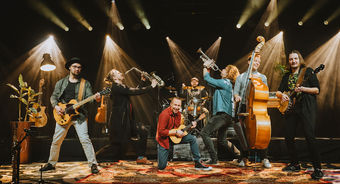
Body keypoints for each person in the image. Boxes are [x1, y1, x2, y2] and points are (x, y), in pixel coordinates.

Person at [40, 57, 101, 174]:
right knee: (56, 140)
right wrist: (56, 107)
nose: (77, 69)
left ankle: (93, 164)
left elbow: (90, 99)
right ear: (69, 68)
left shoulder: (85, 84)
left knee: (85, 139)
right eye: (75, 67)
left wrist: (96, 98)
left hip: (79, 116)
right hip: (63, 115)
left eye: (79, 67)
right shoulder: (61, 82)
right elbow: (53, 97)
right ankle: (51, 163)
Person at [278, 50, 323, 180]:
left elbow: (316, 90)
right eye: (291, 59)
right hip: (292, 109)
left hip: (306, 108)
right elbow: (279, 91)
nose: (293, 61)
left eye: (295, 59)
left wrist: (303, 89)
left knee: (309, 137)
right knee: (288, 135)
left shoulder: (307, 72)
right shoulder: (286, 75)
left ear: (299, 59)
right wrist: (283, 95)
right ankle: (295, 164)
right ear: (289, 61)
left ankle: (318, 169)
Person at [102, 69, 157, 164]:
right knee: (114, 146)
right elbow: (135, 91)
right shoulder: (116, 87)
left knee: (143, 131)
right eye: (118, 72)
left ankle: (141, 157)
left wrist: (142, 81)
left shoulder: (121, 86)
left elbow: (133, 91)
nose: (120, 72)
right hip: (119, 121)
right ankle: (95, 157)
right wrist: (151, 86)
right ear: (115, 78)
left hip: (127, 119)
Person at [233, 53, 272, 168]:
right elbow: (236, 92)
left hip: (258, 108)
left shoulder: (262, 77)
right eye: (255, 61)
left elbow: (266, 93)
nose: (257, 63)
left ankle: (264, 158)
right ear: (249, 62)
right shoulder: (240, 77)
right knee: (244, 133)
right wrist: (237, 96)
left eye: (258, 62)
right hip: (245, 106)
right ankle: (244, 157)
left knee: (261, 131)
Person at [156, 97, 212, 170]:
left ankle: (198, 162)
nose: (177, 107)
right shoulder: (164, 114)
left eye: (178, 105)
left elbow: (178, 128)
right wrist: (176, 132)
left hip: (174, 138)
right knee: (161, 167)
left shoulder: (178, 114)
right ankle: (163, 157)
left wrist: (189, 127)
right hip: (164, 140)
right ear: (170, 104)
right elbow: (161, 132)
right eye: (175, 105)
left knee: (193, 139)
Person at [200, 65, 241, 165]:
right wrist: (209, 69)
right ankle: (240, 155)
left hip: (222, 115)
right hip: (228, 116)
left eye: (224, 69)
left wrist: (205, 66)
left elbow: (207, 78)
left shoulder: (224, 82)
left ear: (228, 73)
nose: (221, 69)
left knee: (204, 133)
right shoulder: (229, 84)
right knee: (222, 140)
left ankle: (214, 159)